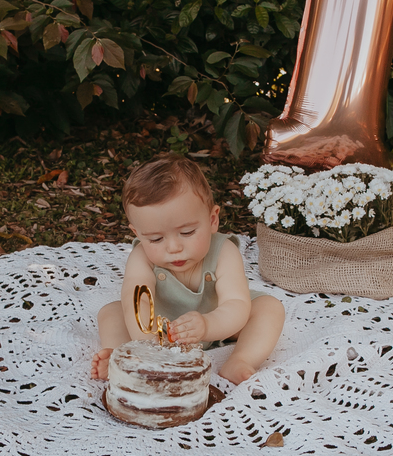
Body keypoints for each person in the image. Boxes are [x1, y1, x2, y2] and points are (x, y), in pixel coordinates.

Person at [92, 153, 285, 384]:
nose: (174, 248)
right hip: (159, 329)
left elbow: (237, 305)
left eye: (187, 233)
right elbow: (137, 300)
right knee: (111, 313)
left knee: (268, 308)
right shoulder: (141, 258)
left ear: (213, 220)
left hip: (217, 322)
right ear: (137, 234)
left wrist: (207, 326)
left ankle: (241, 360)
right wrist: (148, 342)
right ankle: (124, 358)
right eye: (155, 239)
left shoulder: (224, 252)